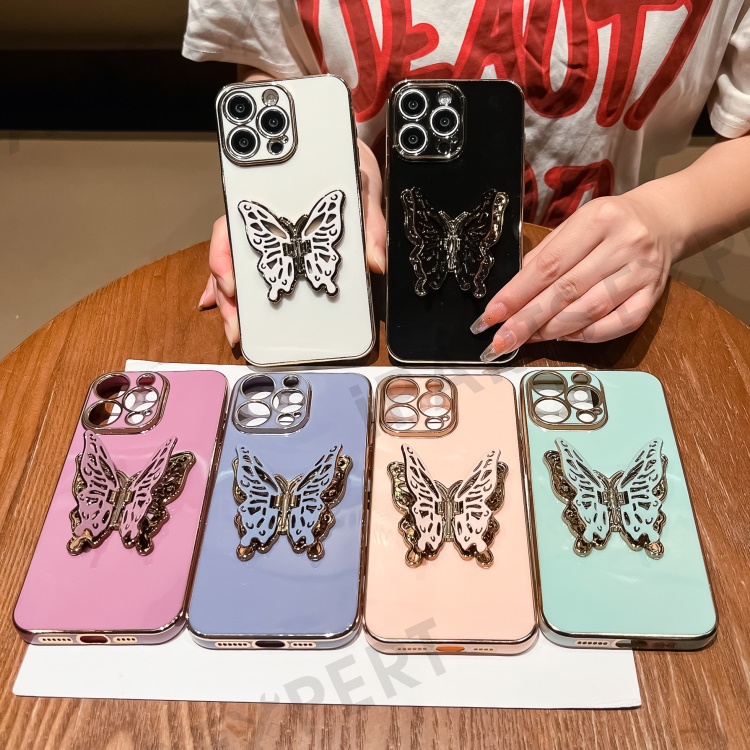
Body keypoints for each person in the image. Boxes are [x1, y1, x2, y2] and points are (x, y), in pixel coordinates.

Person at [184, 1, 750, 361]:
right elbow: (270, 66)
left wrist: (671, 215)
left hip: (601, 288)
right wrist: (315, 167)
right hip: (361, 284)